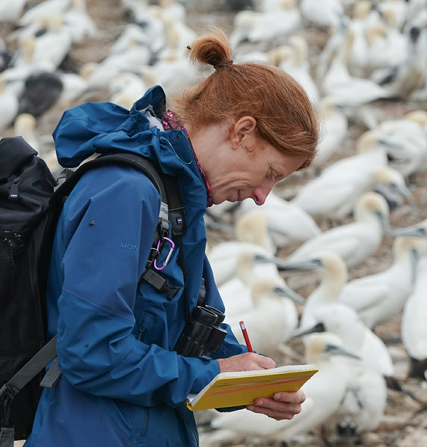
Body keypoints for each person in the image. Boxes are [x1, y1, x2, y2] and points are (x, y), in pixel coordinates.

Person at [24, 28, 318, 446]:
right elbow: (91, 353)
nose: (260, 198)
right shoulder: (126, 193)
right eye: (269, 174)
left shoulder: (176, 199)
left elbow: (187, 337)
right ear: (243, 132)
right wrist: (214, 375)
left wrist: (251, 381)